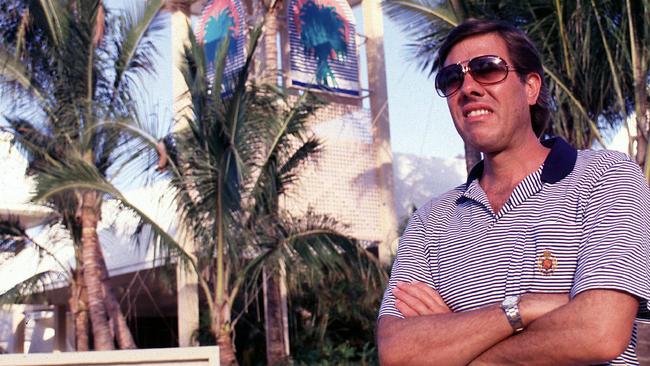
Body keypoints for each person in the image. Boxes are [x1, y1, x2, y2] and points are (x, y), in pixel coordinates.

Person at [377, 18, 650, 365]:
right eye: (452, 78)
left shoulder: (605, 177)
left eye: (487, 69)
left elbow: (600, 331)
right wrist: (524, 308)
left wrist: (460, 345)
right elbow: (398, 352)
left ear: (531, 87)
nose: (468, 87)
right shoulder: (431, 221)